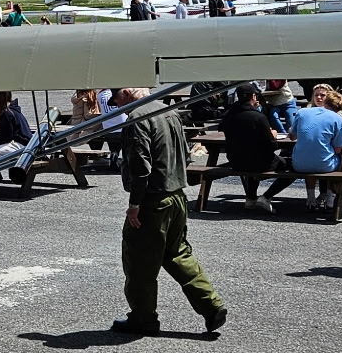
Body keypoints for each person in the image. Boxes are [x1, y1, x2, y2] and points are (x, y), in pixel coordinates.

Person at [114, 87, 227, 335]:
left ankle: (143, 319)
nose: (116, 103)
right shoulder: (169, 110)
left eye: (116, 97)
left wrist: (135, 204)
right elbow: (184, 153)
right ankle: (211, 305)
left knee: (140, 263)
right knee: (178, 254)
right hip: (176, 195)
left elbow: (140, 165)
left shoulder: (137, 117)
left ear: (126, 92)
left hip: (153, 199)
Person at [279, 84, 342, 212]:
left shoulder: (302, 112)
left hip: (299, 164)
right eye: (316, 95)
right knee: (339, 158)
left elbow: (292, 136)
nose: (319, 98)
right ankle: (330, 196)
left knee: (310, 154)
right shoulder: (336, 117)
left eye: (322, 95)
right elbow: (338, 149)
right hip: (324, 164)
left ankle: (311, 199)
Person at [219, 84, 286, 212]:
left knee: (250, 156)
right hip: (260, 163)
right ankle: (266, 197)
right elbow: (272, 145)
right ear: (254, 96)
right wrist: (273, 134)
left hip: (236, 162)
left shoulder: (228, 116)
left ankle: (250, 198)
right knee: (292, 166)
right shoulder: (259, 117)